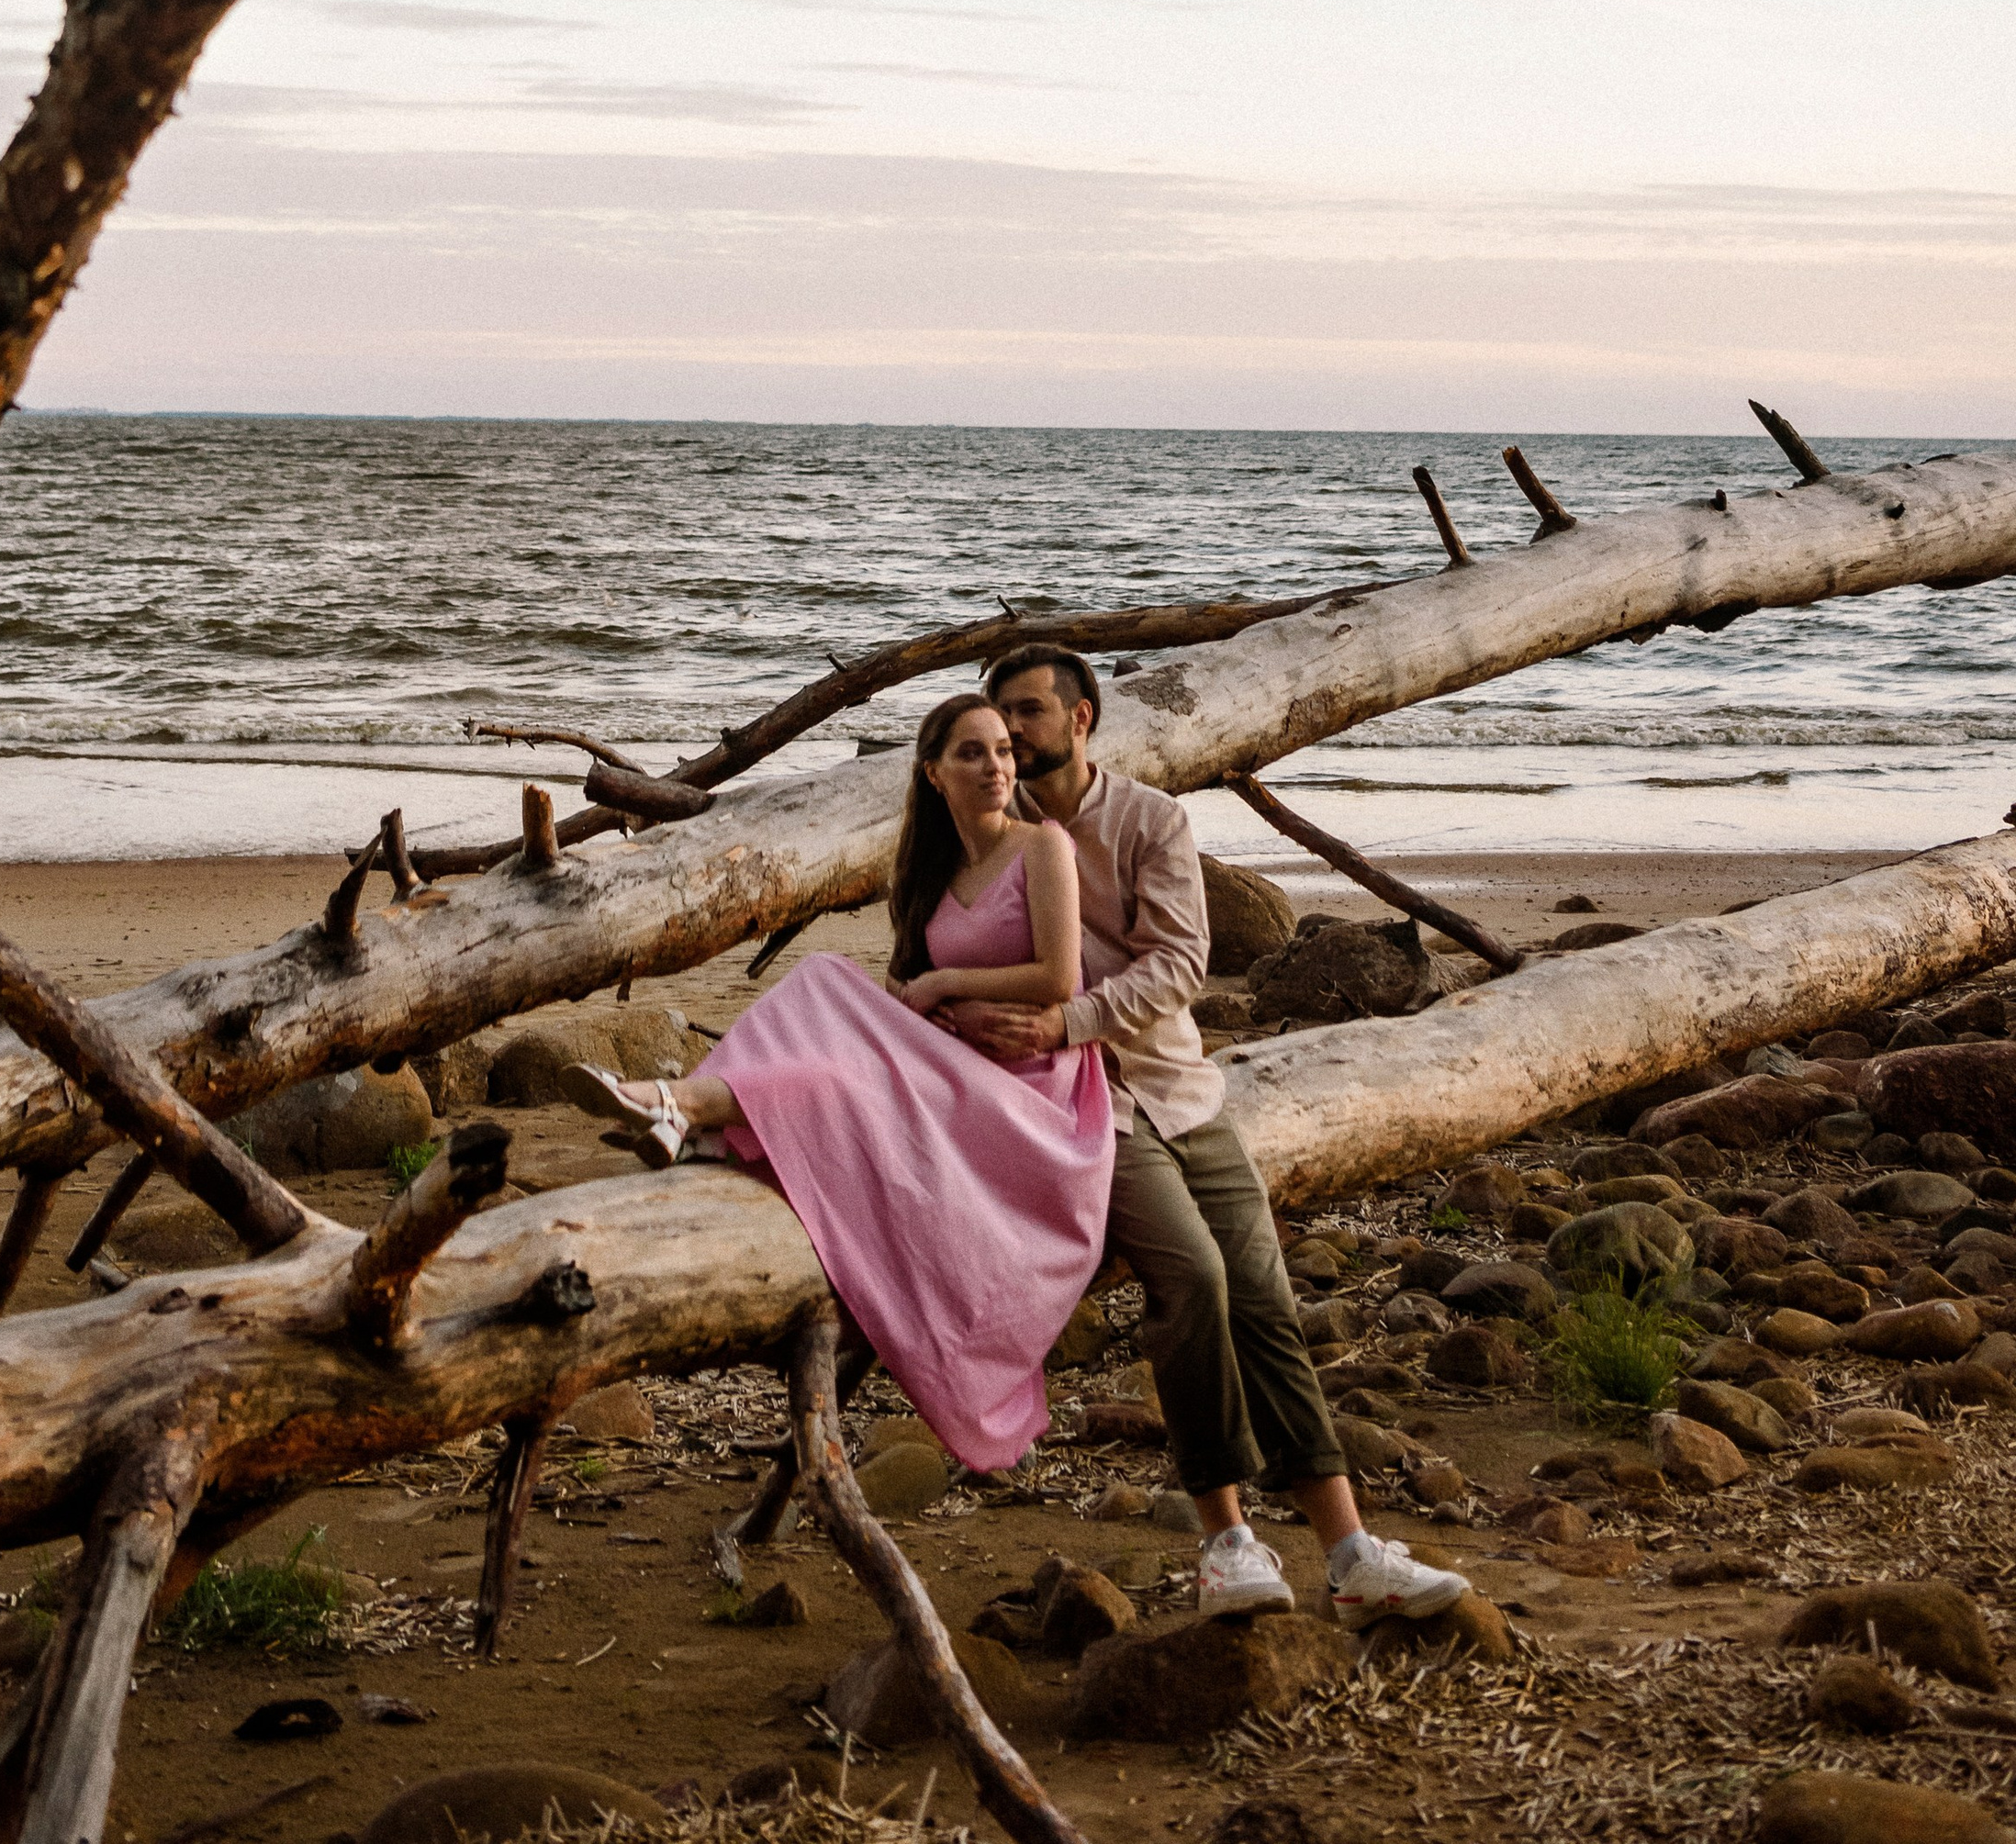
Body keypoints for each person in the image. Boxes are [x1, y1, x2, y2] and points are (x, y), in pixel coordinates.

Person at [951, 643, 1470, 1632]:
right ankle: (1226, 1541)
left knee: (1266, 1299)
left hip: (1182, 1090)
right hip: (1076, 1106)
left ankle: (1351, 1553)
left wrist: (1067, 1015)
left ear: (1082, 715)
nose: (1012, 733)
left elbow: (1181, 963)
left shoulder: (1149, 820)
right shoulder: (990, 836)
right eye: (999, 716)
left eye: (1029, 711)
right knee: (1190, 1283)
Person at [593, 691, 1115, 1473]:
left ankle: (683, 1106)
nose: (996, 766)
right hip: (962, 1067)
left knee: (826, 981)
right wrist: (931, 1006)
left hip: (1034, 1091)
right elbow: (912, 987)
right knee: (831, 1061)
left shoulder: (1043, 846)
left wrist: (942, 988)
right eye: (972, 753)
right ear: (934, 772)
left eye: (1004, 749)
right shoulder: (934, 871)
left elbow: (1058, 976)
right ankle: (683, 1110)